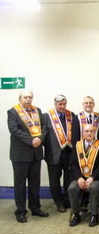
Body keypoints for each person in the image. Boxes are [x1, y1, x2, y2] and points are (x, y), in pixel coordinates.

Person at [7, 90, 49, 223]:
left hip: (36, 154)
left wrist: (40, 139)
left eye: (30, 97)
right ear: (20, 99)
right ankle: (20, 211)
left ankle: (35, 208)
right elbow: (14, 130)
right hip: (20, 155)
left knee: (34, 184)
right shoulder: (13, 112)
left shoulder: (37, 110)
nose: (28, 99)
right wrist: (32, 140)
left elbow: (44, 128)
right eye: (25, 97)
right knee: (20, 184)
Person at [68, 124, 99, 227]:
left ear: (94, 133)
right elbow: (73, 164)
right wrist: (79, 177)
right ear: (83, 133)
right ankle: (76, 214)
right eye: (87, 131)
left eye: (91, 131)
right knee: (72, 188)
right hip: (80, 177)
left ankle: (94, 215)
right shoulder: (77, 145)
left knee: (94, 187)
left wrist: (92, 177)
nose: (89, 133)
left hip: (95, 177)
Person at [43, 94, 75, 213]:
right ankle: (58, 202)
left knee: (68, 179)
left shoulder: (71, 115)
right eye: (60, 104)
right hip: (53, 154)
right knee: (54, 180)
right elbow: (44, 134)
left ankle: (67, 200)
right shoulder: (47, 116)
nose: (62, 106)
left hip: (68, 153)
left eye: (64, 104)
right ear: (55, 104)